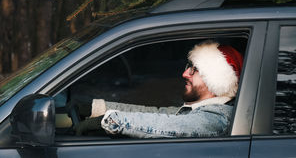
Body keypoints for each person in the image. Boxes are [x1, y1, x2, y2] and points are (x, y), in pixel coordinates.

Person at [74, 40, 243, 138]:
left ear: (215, 81)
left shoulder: (218, 118)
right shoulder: (202, 110)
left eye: (194, 69)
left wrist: (108, 121)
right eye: (188, 66)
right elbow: (159, 113)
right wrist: (96, 109)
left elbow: (169, 124)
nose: (185, 73)